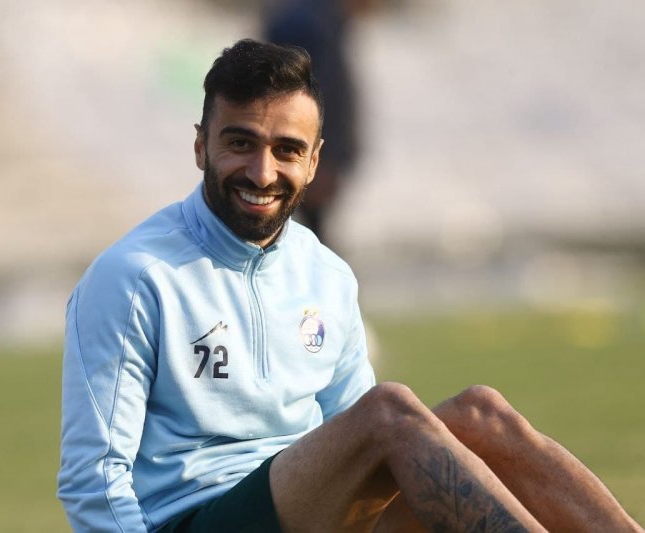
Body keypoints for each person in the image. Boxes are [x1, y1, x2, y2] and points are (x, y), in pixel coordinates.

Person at [57, 39, 641, 532]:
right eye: (240, 143)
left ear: (314, 162)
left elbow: (356, 441)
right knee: (389, 412)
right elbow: (93, 479)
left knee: (481, 414)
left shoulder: (326, 275)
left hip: (313, 513)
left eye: (286, 150)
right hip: (197, 516)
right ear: (200, 146)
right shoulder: (133, 276)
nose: (262, 172)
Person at [262, 0, 366, 245]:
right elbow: (309, 98)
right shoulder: (308, 24)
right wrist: (321, 158)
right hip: (307, 154)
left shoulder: (320, 20)